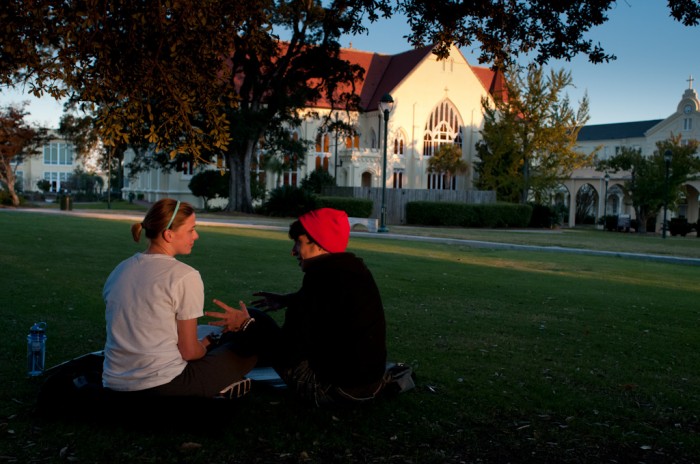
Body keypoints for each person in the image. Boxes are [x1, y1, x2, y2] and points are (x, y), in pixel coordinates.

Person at [207, 208, 387, 406]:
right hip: (369, 384)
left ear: (319, 243)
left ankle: (210, 368)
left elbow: (290, 350)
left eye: (298, 243)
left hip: (331, 389)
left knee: (253, 322)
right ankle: (217, 351)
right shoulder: (352, 271)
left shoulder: (319, 280)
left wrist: (246, 325)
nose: (293, 251)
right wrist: (288, 300)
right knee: (256, 321)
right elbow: (329, 307)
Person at [102, 198, 256, 398]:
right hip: (166, 384)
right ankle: (217, 389)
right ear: (168, 234)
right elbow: (189, 352)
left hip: (114, 381)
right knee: (250, 343)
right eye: (191, 230)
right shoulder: (184, 276)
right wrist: (209, 342)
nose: (196, 235)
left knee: (205, 336)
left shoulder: (120, 269)